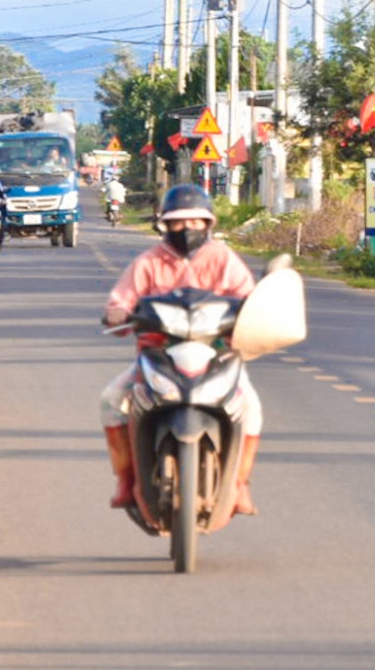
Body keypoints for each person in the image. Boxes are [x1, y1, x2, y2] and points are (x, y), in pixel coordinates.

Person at [99, 184, 262, 515]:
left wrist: (255, 311)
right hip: (158, 356)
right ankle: (126, 479)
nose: (188, 229)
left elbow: (250, 296)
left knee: (252, 409)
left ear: (208, 224)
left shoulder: (223, 259)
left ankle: (239, 482)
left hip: (217, 354)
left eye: (196, 221)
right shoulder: (148, 262)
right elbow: (122, 299)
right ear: (165, 225)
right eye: (179, 222)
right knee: (111, 400)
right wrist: (118, 311)